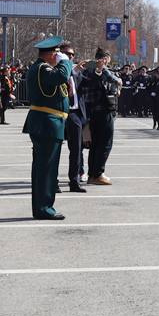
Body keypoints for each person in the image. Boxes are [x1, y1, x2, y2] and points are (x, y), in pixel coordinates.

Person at [23, 36, 74, 220]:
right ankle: (44, 208)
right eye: (58, 53)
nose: (59, 56)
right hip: (47, 124)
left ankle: (42, 206)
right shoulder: (42, 68)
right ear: (52, 54)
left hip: (49, 123)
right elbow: (60, 76)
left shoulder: (42, 68)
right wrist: (66, 63)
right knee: (46, 169)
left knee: (44, 168)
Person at [78, 48, 121, 185]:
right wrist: (101, 70)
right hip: (101, 111)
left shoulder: (92, 73)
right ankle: (97, 173)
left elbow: (117, 85)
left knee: (96, 145)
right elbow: (114, 80)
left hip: (98, 112)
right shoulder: (95, 72)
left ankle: (93, 173)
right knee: (104, 144)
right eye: (105, 59)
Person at [59, 42, 89, 193]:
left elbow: (89, 84)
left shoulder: (78, 71)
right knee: (55, 149)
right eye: (66, 54)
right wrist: (73, 70)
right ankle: (52, 181)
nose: (69, 57)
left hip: (75, 114)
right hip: (60, 113)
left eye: (72, 55)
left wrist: (97, 70)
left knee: (76, 149)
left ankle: (74, 181)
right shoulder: (59, 69)